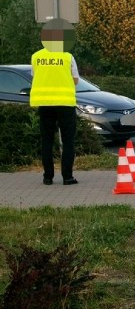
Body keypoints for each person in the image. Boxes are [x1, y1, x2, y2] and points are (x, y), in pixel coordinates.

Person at [30, 18, 80, 185]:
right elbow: (75, 80)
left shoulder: (36, 57)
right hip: (65, 104)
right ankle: (67, 177)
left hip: (44, 104)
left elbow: (35, 77)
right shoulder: (67, 56)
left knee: (46, 141)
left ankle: (47, 177)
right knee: (68, 141)